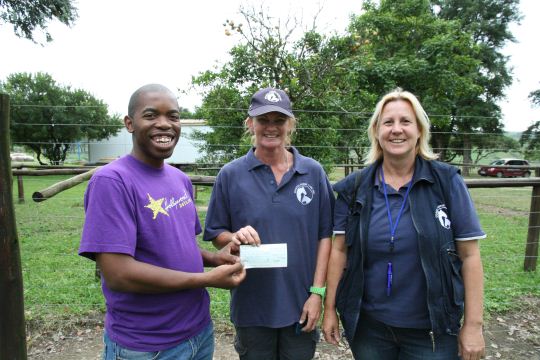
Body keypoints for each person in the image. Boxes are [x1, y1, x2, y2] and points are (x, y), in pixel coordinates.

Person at [79, 84, 246, 360]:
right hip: (147, 345)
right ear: (129, 124)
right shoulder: (112, 182)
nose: (165, 124)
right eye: (151, 115)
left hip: (198, 332)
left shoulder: (178, 179)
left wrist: (214, 259)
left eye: (173, 116)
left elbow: (178, 246)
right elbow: (118, 274)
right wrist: (205, 279)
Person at [322, 88, 486, 360]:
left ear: (420, 130)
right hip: (369, 330)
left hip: (432, 332)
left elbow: (470, 255)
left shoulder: (446, 182)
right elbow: (339, 251)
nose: (396, 130)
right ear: (376, 131)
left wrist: (473, 325)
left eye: (405, 121)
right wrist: (330, 309)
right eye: (388, 122)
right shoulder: (355, 188)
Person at [203, 87, 335, 359]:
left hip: (301, 302)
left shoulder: (312, 172)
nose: (271, 127)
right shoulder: (231, 175)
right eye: (264, 120)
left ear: (291, 124)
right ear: (250, 123)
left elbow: (325, 237)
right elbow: (217, 234)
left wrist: (317, 294)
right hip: (253, 304)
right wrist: (234, 238)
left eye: (279, 120)